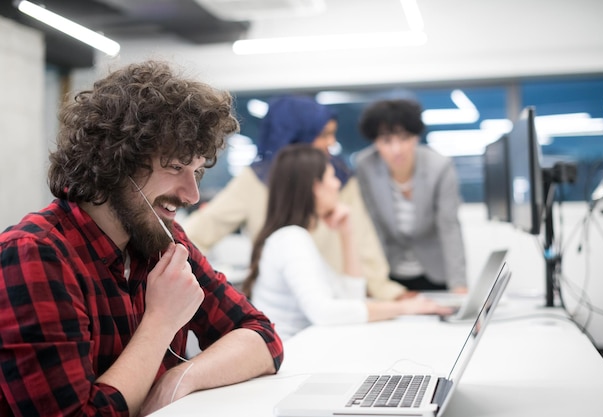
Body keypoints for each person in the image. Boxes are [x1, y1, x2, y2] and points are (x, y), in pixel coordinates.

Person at [0, 60, 283, 417]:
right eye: (175, 168)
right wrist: (161, 321)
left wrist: (180, 378)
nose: (192, 194)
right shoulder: (33, 255)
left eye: (196, 171)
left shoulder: (163, 240)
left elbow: (261, 336)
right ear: (114, 161)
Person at [184, 95, 410, 300]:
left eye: (333, 133)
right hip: (284, 308)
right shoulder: (254, 182)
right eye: (324, 135)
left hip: (340, 300)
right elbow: (197, 233)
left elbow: (364, 241)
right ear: (296, 137)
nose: (332, 142)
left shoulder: (337, 178)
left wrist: (387, 292)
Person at [242, 144, 454, 340]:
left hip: (306, 352)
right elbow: (324, 313)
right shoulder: (291, 239)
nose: (336, 184)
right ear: (316, 187)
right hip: (293, 359)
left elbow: (351, 297)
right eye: (331, 177)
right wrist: (403, 307)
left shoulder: (294, 237)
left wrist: (347, 233)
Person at [355, 99, 468, 293]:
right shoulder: (366, 166)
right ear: (375, 142)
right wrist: (372, 279)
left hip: (434, 271)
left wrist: (459, 284)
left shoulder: (439, 166)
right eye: (386, 141)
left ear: (416, 137)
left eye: (404, 138)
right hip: (389, 270)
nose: (396, 149)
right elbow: (371, 226)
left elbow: (449, 227)